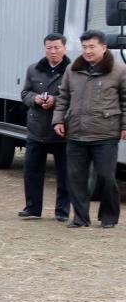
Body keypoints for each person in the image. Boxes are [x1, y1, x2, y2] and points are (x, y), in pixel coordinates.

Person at [52, 30, 126, 229]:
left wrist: (124, 126)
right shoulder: (72, 70)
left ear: (104, 47)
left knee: (106, 176)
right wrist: (58, 120)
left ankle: (109, 216)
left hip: (105, 133)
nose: (88, 51)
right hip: (76, 133)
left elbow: (125, 100)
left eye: (92, 47)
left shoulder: (119, 70)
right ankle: (80, 218)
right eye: (84, 47)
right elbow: (63, 97)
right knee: (76, 178)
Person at [18, 34, 71, 220]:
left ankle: (62, 211)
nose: (53, 52)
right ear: (44, 49)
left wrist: (55, 101)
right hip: (36, 128)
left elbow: (76, 98)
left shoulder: (72, 71)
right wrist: (35, 99)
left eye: (57, 48)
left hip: (61, 129)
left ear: (64, 48)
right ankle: (32, 208)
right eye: (49, 48)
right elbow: (24, 93)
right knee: (31, 171)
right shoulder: (34, 69)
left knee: (65, 174)